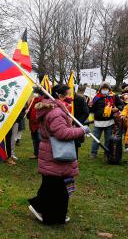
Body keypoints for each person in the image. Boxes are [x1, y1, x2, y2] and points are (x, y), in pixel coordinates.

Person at [28, 84, 89, 225]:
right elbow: (61, 133)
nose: (70, 98)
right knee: (56, 189)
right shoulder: (55, 112)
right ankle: (52, 216)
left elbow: (60, 129)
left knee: (53, 186)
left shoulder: (55, 109)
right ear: (59, 96)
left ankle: (48, 211)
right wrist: (81, 131)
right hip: (55, 153)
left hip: (51, 152)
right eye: (68, 95)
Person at [89, 82, 124, 159]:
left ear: (109, 89)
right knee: (96, 139)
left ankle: (107, 153)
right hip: (98, 122)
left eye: (106, 89)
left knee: (108, 139)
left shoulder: (114, 96)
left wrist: (117, 108)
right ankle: (93, 153)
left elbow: (121, 105)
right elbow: (91, 110)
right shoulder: (96, 98)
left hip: (109, 122)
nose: (105, 90)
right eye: (103, 89)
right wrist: (90, 105)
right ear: (100, 89)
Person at [27, 88, 44, 159]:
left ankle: (42, 155)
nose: (34, 94)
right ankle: (36, 153)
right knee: (34, 140)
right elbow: (30, 110)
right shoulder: (32, 101)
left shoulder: (42, 101)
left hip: (39, 124)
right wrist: (27, 113)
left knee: (40, 140)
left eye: (35, 92)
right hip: (32, 124)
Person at [73, 93, 89, 158]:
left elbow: (85, 112)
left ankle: (75, 160)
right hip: (65, 125)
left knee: (75, 143)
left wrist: (77, 123)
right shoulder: (62, 99)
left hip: (76, 124)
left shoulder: (80, 99)